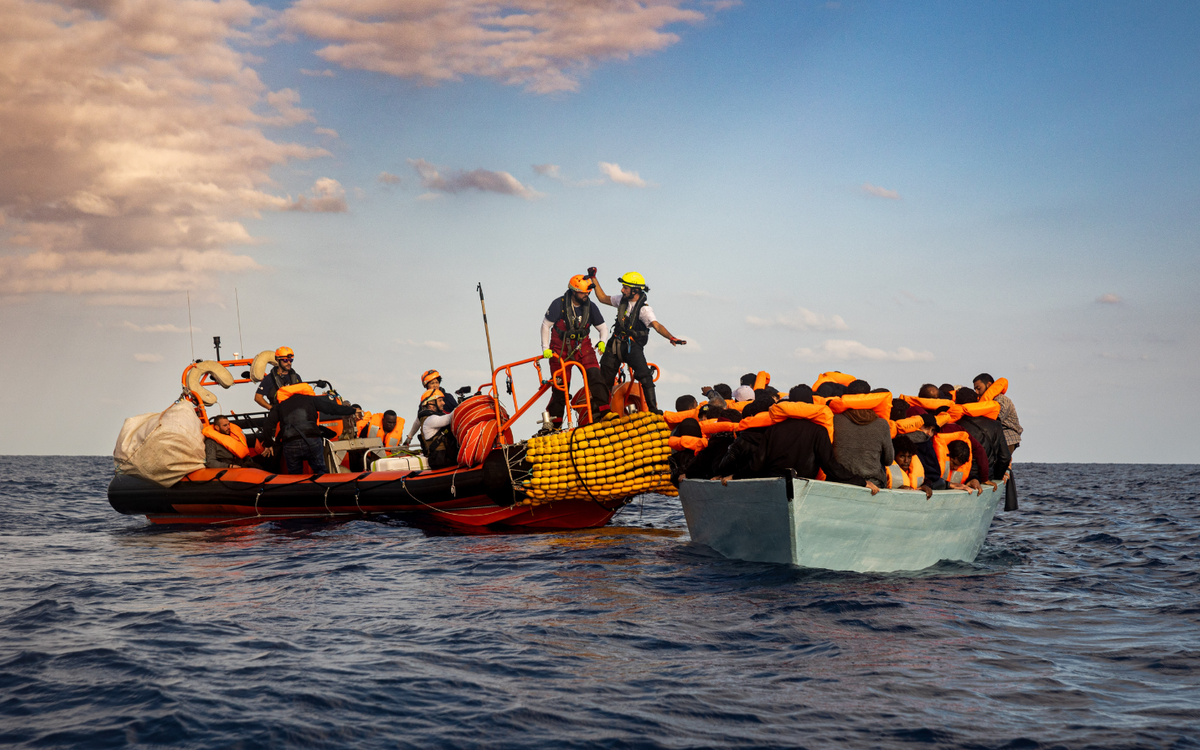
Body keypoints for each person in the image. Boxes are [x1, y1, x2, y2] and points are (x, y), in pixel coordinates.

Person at [591, 270, 685, 414]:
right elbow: (602, 298)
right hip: (615, 344)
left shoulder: (645, 310)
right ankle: (600, 412)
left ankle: (653, 409)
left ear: (635, 290)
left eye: (625, 288)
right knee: (604, 377)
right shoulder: (621, 300)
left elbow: (657, 326)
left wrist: (671, 338)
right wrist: (593, 278)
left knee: (645, 376)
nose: (622, 290)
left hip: (632, 347)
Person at [539, 274, 610, 426]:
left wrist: (602, 342)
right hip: (560, 349)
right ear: (573, 291)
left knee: (595, 376)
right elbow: (545, 325)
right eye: (583, 293)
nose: (586, 295)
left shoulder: (591, 306)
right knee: (560, 386)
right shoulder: (558, 304)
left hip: (583, 347)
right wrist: (545, 348)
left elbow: (603, 328)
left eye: (588, 292)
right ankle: (556, 423)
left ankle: (605, 412)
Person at [260, 383, 357, 474]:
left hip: (290, 443)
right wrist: (351, 410)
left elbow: (268, 425)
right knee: (321, 472)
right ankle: (325, 485)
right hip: (312, 440)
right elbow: (331, 408)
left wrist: (268, 444)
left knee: (295, 477)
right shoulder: (311, 400)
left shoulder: (280, 406)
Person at [831, 379, 894, 487]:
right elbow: (888, 460)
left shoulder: (834, 420)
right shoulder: (882, 424)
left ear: (847, 396)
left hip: (841, 480)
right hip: (874, 483)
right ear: (868, 397)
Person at [955, 388, 1011, 483]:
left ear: (957, 403)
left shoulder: (955, 425)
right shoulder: (995, 425)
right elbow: (1005, 457)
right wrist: (997, 478)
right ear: (977, 402)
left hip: (962, 477)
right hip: (987, 476)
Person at [973, 373, 1023, 454]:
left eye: (978, 388)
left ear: (989, 385)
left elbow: (997, 419)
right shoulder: (983, 403)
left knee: (1002, 460)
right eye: (975, 389)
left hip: (1007, 436)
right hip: (993, 437)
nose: (977, 392)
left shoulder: (1001, 399)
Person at [415, 391, 458, 468]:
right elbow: (449, 418)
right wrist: (462, 405)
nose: (443, 403)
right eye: (440, 400)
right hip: (441, 461)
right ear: (430, 404)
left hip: (449, 459)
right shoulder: (430, 420)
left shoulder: (437, 417)